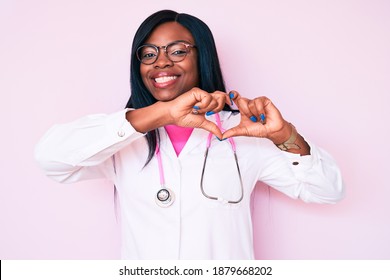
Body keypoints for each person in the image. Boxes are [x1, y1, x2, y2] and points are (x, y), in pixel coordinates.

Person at [34, 9, 344, 259]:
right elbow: (51, 159)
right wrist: (163, 113)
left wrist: (284, 135)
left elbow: (328, 191)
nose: (162, 62)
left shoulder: (245, 132)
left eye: (178, 51)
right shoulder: (122, 134)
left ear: (202, 56)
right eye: (149, 54)